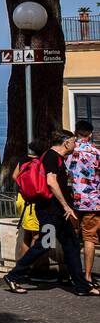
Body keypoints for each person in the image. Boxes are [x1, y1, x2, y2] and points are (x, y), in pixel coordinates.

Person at [4, 131, 98, 295]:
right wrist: (66, 206)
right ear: (66, 142)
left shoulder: (56, 157)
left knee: (72, 245)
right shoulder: (52, 157)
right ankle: (13, 276)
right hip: (50, 212)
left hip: (59, 213)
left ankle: (82, 286)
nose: (75, 145)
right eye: (74, 142)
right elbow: (51, 182)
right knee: (45, 244)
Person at [67, 119, 100, 285]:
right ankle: (87, 276)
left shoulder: (69, 152)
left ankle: (73, 274)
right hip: (93, 202)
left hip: (71, 202)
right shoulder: (97, 152)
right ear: (91, 134)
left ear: (75, 132)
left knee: (72, 238)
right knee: (89, 239)